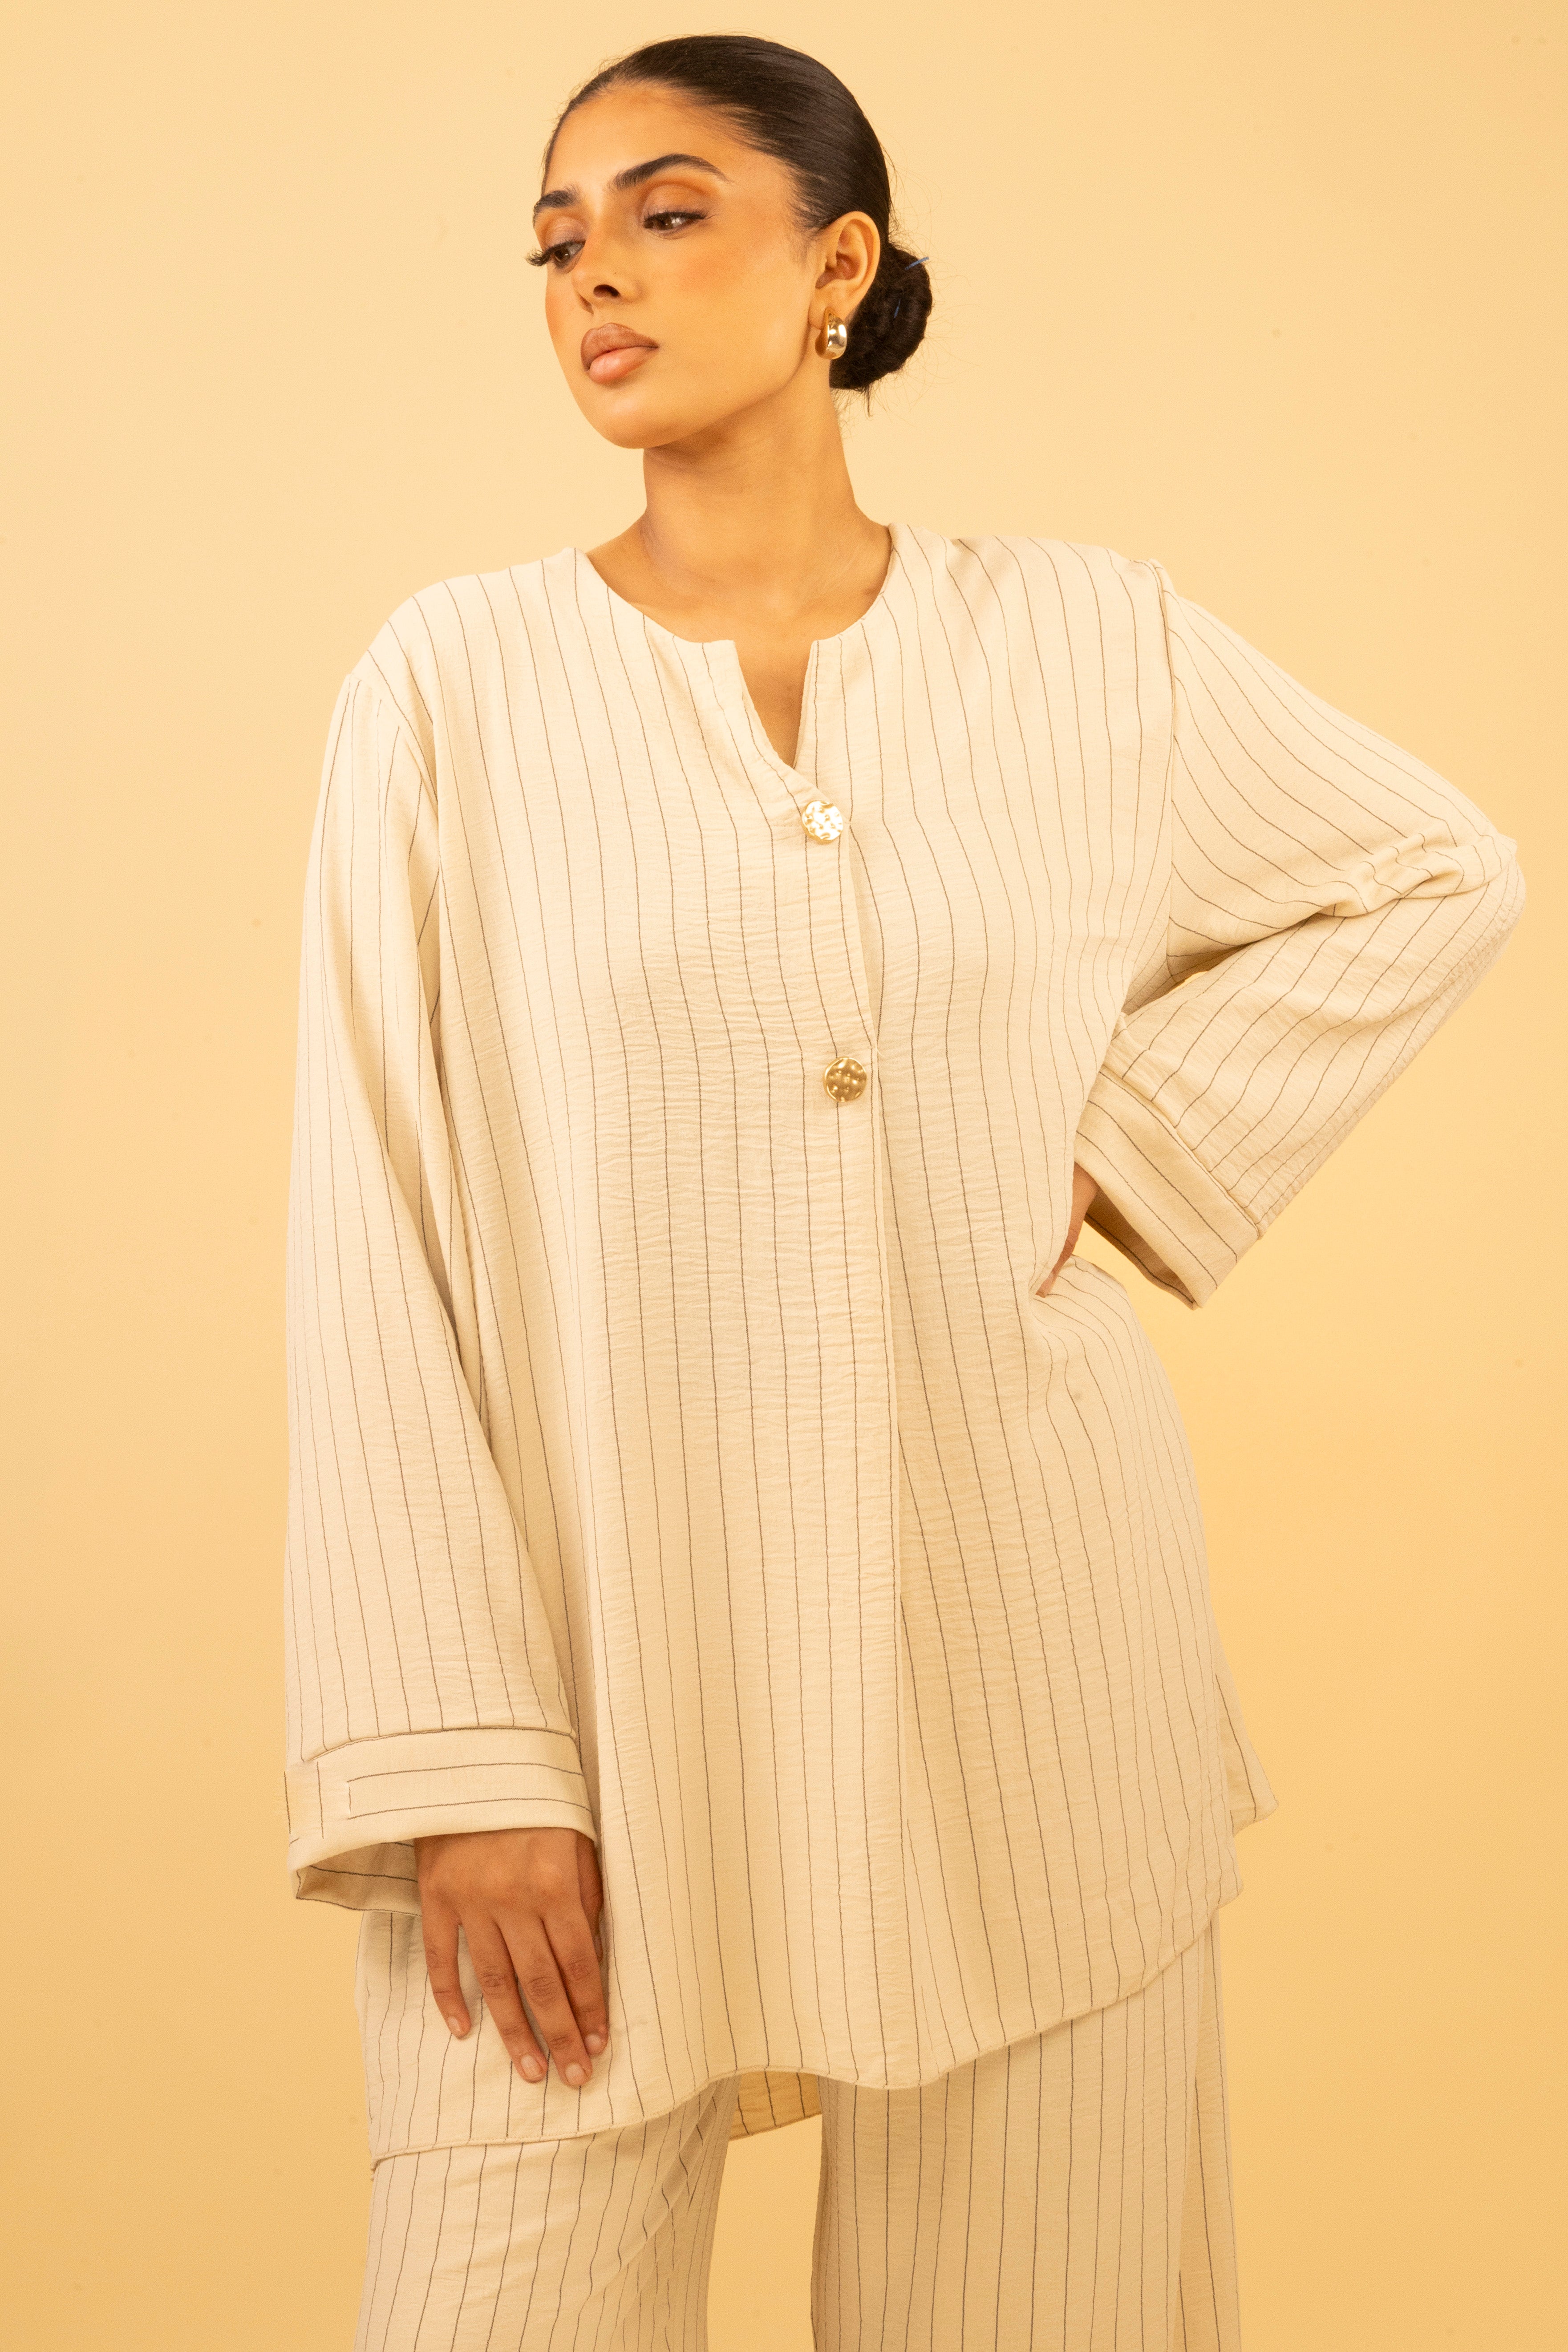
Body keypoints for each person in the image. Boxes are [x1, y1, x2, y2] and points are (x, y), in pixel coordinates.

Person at [281, 34, 1525, 2352]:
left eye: (666, 213)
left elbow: (1436, 870)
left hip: (1033, 1663)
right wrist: (461, 1757)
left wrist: (1132, 1141)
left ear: (836, 265)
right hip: (606, 1679)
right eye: (554, 242)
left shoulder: (1088, 643)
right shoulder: (452, 690)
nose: (592, 277)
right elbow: (379, 1239)